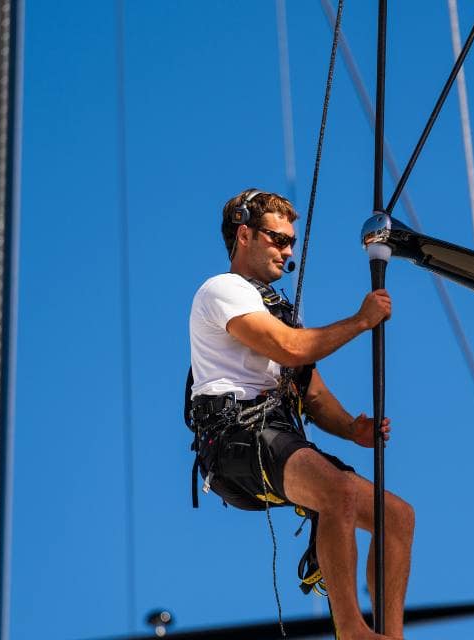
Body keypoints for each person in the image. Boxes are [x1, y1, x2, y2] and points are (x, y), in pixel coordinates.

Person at [188, 188, 413, 640]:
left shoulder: (274, 307)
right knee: (337, 493)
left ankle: (390, 636)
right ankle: (352, 631)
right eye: (278, 239)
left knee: (396, 517)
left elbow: (311, 391)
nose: (288, 250)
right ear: (244, 235)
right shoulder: (223, 290)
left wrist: (351, 428)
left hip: (275, 435)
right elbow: (290, 348)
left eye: (291, 241)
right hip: (235, 438)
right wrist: (361, 321)